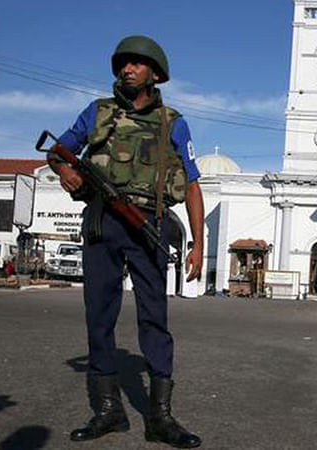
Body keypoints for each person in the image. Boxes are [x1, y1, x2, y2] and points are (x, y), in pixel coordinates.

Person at [48, 35, 204, 448]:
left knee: (155, 317)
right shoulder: (98, 113)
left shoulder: (174, 121)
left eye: (136, 64)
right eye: (122, 64)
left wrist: (199, 245)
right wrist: (65, 172)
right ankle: (108, 411)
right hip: (102, 220)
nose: (126, 70)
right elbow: (59, 151)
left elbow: (191, 185)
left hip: (148, 223)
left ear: (155, 73)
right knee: (99, 313)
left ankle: (160, 418)